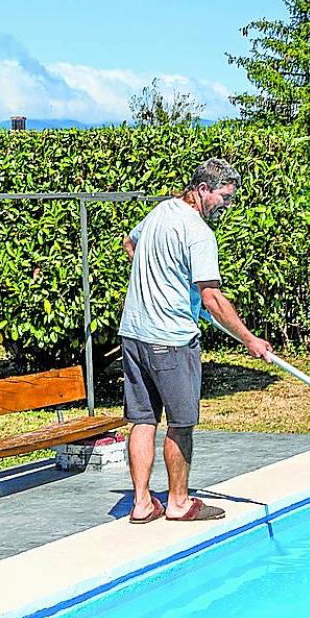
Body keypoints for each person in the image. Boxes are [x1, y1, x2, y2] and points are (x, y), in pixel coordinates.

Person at [119, 158, 272, 523]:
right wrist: (250, 340)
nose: (227, 205)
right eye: (225, 197)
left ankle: (141, 504)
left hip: (134, 332)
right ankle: (178, 502)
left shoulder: (159, 212)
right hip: (171, 339)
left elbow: (130, 243)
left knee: (142, 420)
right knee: (181, 423)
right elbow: (212, 298)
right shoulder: (199, 232)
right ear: (204, 189)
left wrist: (161, 281)